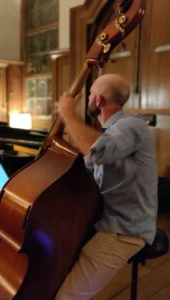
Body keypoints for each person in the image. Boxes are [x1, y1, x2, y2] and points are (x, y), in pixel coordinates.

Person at [55, 74, 158, 300]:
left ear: (98, 100)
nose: (88, 97)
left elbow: (97, 152)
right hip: (106, 223)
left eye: (90, 94)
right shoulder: (110, 133)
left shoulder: (131, 125)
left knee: (67, 298)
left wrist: (67, 113)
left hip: (124, 231)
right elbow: (87, 172)